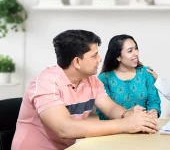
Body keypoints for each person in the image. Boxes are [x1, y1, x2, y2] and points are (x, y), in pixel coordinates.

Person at [12, 30, 157, 150]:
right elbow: (65, 128)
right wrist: (124, 125)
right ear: (77, 62)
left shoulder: (91, 80)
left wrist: (128, 114)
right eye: (94, 55)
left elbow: (110, 108)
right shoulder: (46, 82)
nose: (100, 59)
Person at [96, 34, 161, 120]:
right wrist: (128, 113)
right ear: (118, 57)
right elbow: (102, 114)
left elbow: (154, 101)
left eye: (136, 48)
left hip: (144, 127)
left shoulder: (146, 73)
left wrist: (154, 111)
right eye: (130, 51)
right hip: (116, 130)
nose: (136, 53)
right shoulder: (104, 78)